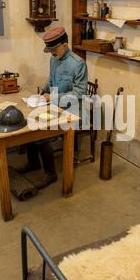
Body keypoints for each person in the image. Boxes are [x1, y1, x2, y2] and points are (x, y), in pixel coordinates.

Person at [19, 26, 88, 190]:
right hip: (53, 106)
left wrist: (54, 97)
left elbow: (79, 93)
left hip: (71, 111)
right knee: (29, 121)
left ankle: (51, 173)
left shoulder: (78, 64)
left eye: (54, 49)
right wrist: (44, 90)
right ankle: (34, 163)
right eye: (49, 50)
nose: (51, 53)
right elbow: (51, 81)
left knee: (40, 132)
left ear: (65, 45)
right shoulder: (54, 59)